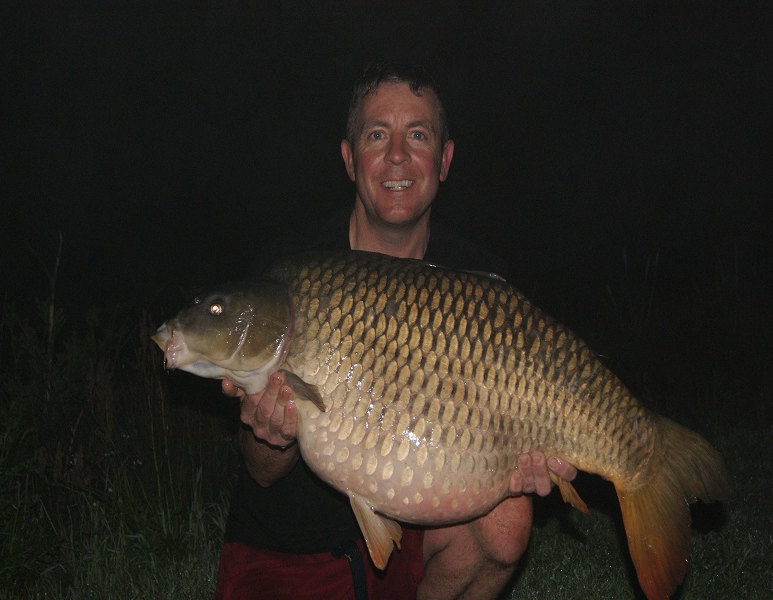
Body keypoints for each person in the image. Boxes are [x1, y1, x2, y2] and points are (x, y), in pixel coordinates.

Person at [215, 62, 577, 600]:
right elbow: (262, 474)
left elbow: (506, 419)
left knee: (507, 521)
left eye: (418, 135)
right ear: (348, 158)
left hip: (415, 526)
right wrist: (271, 433)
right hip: (291, 548)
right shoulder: (291, 276)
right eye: (377, 135)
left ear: (445, 160)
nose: (398, 155)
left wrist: (526, 454)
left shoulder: (477, 280)